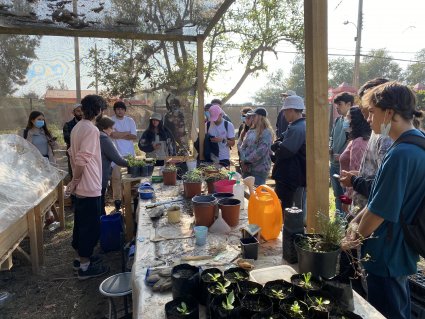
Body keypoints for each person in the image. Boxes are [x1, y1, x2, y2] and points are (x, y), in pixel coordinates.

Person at [343, 82, 425, 319]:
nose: (368, 119)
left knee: (387, 311)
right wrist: (354, 222)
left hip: (386, 251)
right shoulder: (414, 143)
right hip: (398, 249)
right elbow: (380, 195)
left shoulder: (401, 154)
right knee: (398, 305)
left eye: (372, 112)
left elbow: (379, 210)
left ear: (389, 113)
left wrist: (353, 239)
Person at [67, 94, 109, 280]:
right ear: (99, 110)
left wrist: (74, 182)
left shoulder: (77, 127)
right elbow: (81, 158)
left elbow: (70, 153)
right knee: (90, 227)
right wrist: (75, 180)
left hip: (82, 186)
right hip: (88, 185)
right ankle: (85, 267)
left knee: (81, 224)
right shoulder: (92, 130)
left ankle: (81, 258)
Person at [339, 78, 392, 210]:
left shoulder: (386, 138)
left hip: (372, 213)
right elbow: (374, 175)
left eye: (369, 107)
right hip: (363, 209)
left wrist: (353, 181)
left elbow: (384, 190)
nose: (366, 116)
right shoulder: (377, 132)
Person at [271, 95, 306, 213]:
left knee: (290, 209)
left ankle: (290, 230)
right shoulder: (295, 125)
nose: (284, 114)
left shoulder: (298, 128)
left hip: (292, 176)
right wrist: (278, 145)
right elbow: (278, 142)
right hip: (289, 176)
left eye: (285, 111)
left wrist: (278, 146)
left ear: (291, 110)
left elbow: (284, 151)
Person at [338, 107, 371, 213]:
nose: (345, 120)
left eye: (348, 117)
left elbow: (356, 173)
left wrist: (347, 199)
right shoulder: (357, 140)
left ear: (355, 120)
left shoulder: (359, 142)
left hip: (355, 196)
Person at [96, 116, 129, 216]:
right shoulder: (104, 138)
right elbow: (118, 160)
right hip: (101, 175)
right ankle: (102, 226)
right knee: (100, 204)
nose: (113, 129)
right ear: (105, 128)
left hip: (97, 173)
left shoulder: (97, 136)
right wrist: (132, 163)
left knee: (99, 203)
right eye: (111, 127)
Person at [110, 101, 137, 208]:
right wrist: (126, 132)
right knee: (116, 178)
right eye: (117, 109)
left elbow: (134, 136)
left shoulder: (130, 120)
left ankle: (130, 199)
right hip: (116, 154)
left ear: (125, 110)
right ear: (115, 110)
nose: (120, 111)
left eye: (122, 109)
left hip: (130, 154)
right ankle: (117, 200)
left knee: (133, 177)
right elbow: (112, 134)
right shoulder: (111, 120)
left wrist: (119, 134)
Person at [329, 92, 353, 212]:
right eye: (336, 104)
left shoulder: (353, 121)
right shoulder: (337, 121)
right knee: (337, 195)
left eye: (340, 104)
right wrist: (330, 148)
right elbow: (332, 138)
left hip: (345, 167)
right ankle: (338, 221)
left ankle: (345, 223)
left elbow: (353, 140)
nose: (337, 107)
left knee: (346, 197)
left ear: (349, 104)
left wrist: (343, 154)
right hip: (333, 164)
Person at [239, 107, 274, 185]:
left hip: (259, 170)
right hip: (247, 169)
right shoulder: (251, 131)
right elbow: (243, 146)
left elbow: (260, 151)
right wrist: (243, 160)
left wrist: (246, 160)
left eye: (254, 116)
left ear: (260, 117)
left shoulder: (267, 132)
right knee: (246, 193)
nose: (252, 118)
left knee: (256, 193)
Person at [63, 103, 83, 177]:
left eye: (82, 111)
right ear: (73, 113)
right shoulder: (68, 125)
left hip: (85, 153)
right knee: (74, 175)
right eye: (78, 111)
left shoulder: (89, 124)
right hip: (73, 154)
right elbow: (67, 139)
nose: (80, 113)